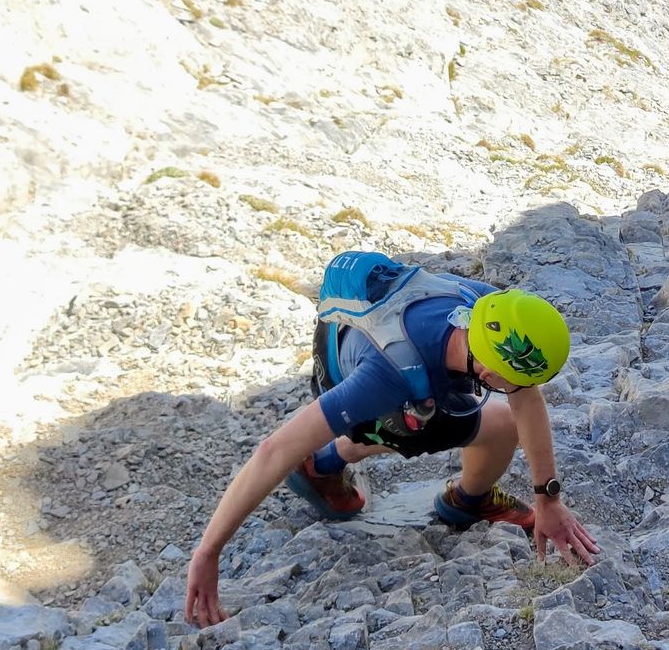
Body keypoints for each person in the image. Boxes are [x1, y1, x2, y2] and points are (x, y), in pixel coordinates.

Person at [185, 254, 600, 629]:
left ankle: (466, 498)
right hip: (351, 364)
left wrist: (549, 499)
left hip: (382, 341)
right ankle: (322, 464)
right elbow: (273, 450)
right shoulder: (389, 377)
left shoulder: (485, 310)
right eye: (519, 381)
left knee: (482, 417)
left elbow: (525, 398)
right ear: (490, 373)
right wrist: (209, 552)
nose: (528, 390)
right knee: (442, 420)